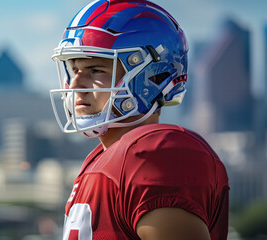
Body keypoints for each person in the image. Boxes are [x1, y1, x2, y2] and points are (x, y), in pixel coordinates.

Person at [48, 0, 230, 239]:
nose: (75, 86)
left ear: (150, 74)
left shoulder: (154, 154)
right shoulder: (101, 158)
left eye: (96, 70)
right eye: (74, 70)